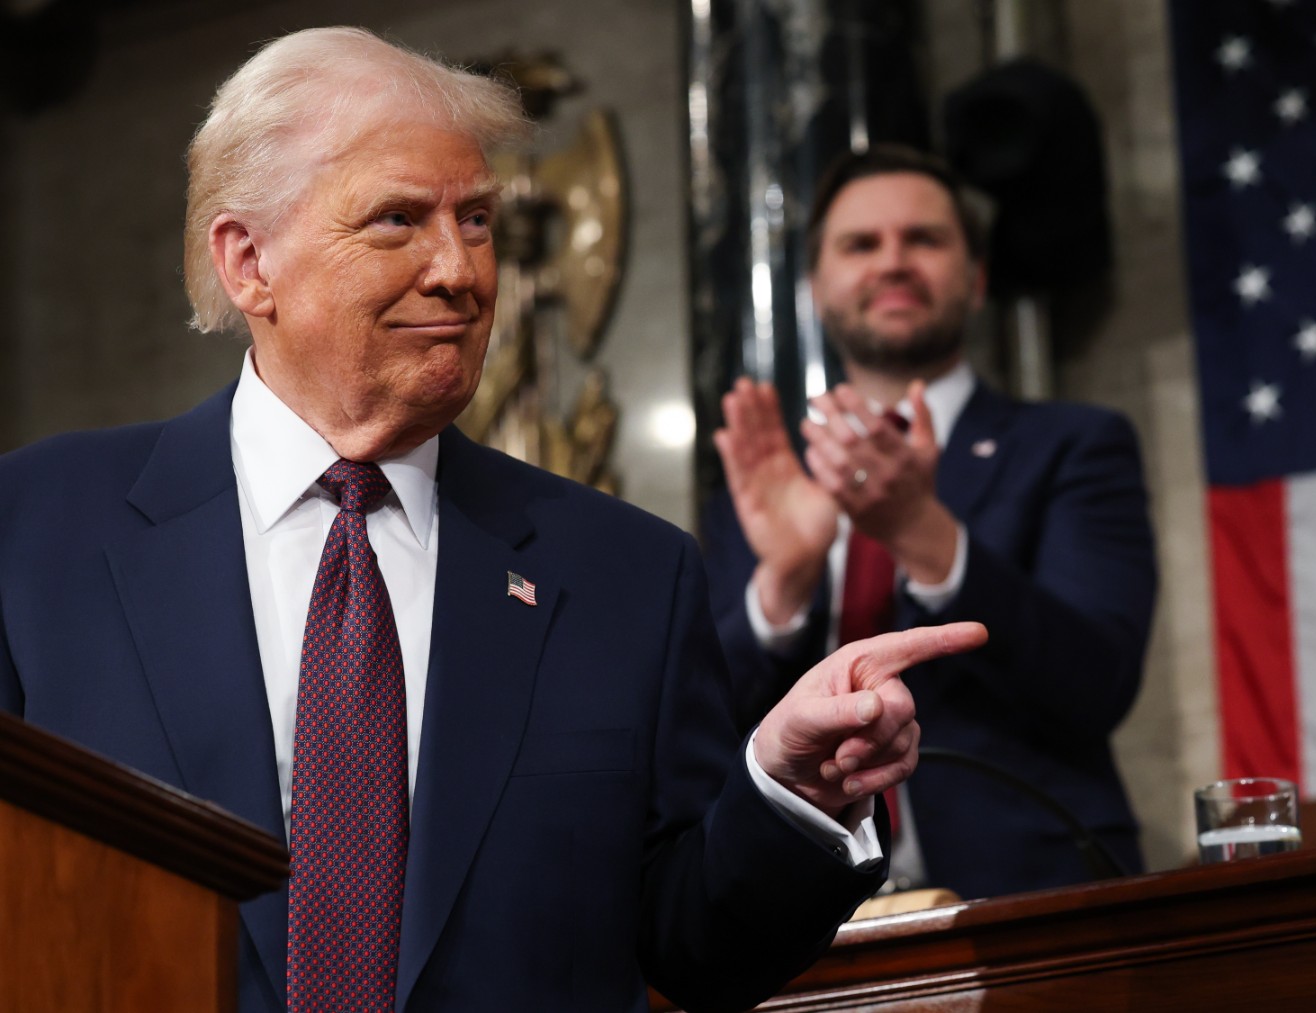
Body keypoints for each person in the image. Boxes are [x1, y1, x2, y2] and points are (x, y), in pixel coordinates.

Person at [0, 27, 987, 1013]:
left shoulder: (625, 575)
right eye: (397, 220)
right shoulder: (37, 532)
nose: (460, 271)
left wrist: (791, 791)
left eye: (476, 221)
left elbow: (694, 946)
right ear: (248, 260)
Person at [702, 144, 1157, 900]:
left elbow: (1098, 683)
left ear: (975, 280)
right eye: (861, 244)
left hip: (1032, 900)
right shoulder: (769, 477)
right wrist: (780, 588)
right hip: (798, 917)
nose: (893, 261)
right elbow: (701, 726)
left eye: (924, 239)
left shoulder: (1075, 444)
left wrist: (923, 533)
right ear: (816, 290)